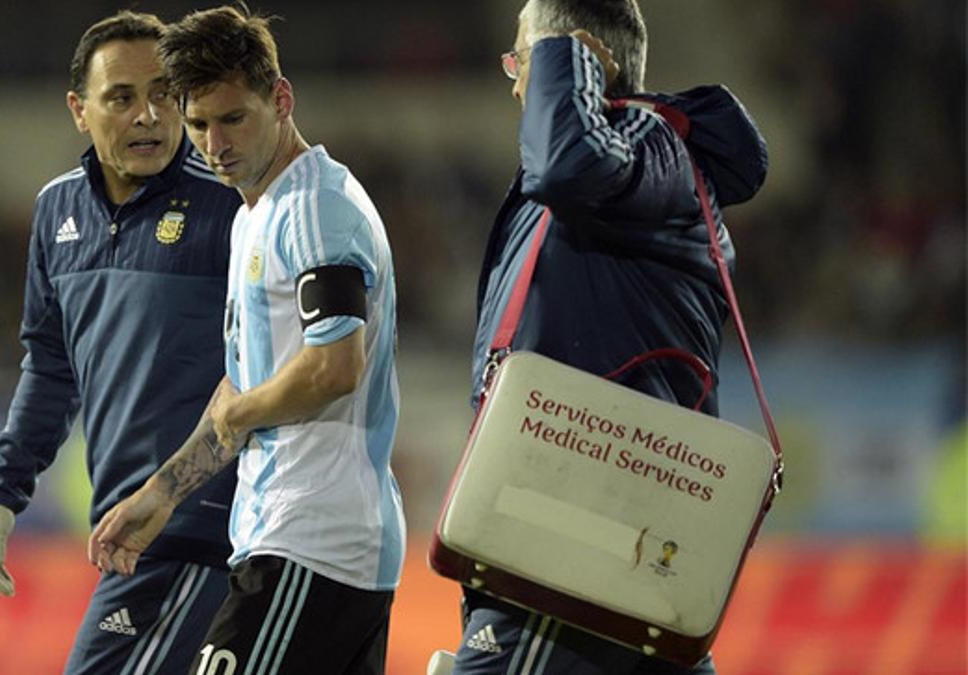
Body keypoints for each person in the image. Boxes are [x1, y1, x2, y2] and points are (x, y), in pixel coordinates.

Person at [87, 5, 406, 674]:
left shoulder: (315, 208)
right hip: (300, 538)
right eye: (198, 124)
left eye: (233, 119)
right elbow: (244, 382)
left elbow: (334, 365)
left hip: (311, 538)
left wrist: (238, 412)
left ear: (281, 99)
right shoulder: (253, 215)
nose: (215, 143)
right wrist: (164, 491)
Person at [455, 0, 768, 673]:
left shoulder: (645, 146)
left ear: (584, 60)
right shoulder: (637, 173)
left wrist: (563, 58)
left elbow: (564, 164)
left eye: (525, 61)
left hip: (575, 544)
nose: (517, 84)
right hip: (612, 538)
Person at [0, 11, 244, 674]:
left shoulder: (231, 208)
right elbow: (52, 366)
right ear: (79, 110)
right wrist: (3, 492)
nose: (147, 114)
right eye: (121, 97)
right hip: (132, 536)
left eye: (164, 94)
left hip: (200, 532)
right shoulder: (57, 211)